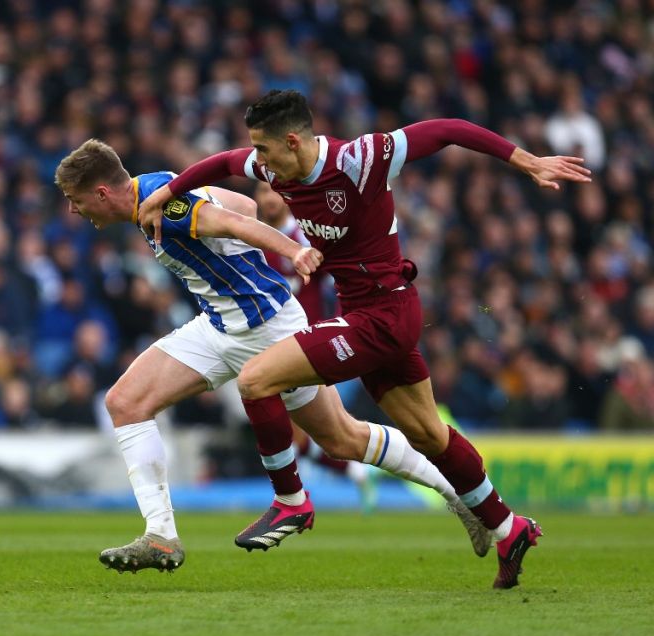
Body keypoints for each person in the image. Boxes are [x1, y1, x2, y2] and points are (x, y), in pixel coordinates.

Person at [138, 89, 592, 588]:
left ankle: (291, 502)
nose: (259, 164)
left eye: (265, 151)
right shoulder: (274, 166)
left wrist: (527, 162)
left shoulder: (360, 159)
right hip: (367, 312)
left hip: (385, 314)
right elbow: (224, 161)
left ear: (293, 141)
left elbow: (446, 130)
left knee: (255, 378)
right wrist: (167, 191)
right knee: (428, 434)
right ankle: (509, 528)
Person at [54, 139, 490, 574]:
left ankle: (456, 493)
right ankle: (161, 536)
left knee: (341, 438)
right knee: (125, 402)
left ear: (102, 193)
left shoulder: (166, 208)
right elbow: (244, 203)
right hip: (218, 325)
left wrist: (293, 250)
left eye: (76, 201)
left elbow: (236, 223)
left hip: (268, 327)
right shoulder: (154, 188)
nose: (74, 211)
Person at [254, 181, 375, 509]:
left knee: (310, 431)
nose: (268, 198)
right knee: (307, 432)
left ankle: (298, 496)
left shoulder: (304, 241)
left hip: (302, 348)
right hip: (264, 347)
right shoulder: (254, 241)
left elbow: (339, 281)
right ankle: (354, 470)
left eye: (272, 191)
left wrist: (335, 326)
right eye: (261, 192)